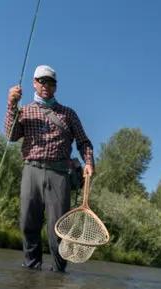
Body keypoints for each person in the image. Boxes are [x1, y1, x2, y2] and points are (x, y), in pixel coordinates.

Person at [6, 65, 95, 273]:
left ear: (56, 86)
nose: (46, 85)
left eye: (50, 82)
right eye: (42, 81)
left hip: (59, 174)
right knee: (28, 223)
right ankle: (31, 268)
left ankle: (58, 272)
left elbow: (84, 142)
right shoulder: (24, 110)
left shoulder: (68, 114)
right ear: (34, 83)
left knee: (58, 229)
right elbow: (11, 136)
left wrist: (89, 162)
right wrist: (11, 104)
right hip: (31, 170)